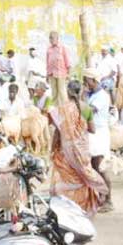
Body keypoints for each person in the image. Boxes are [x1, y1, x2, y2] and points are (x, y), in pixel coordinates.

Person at [48, 80, 109, 215]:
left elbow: (58, 132)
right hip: (82, 150)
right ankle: (84, 207)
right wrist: (79, 128)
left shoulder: (61, 109)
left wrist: (53, 149)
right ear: (81, 91)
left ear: (67, 93)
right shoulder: (86, 108)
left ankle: (66, 207)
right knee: (83, 177)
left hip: (65, 151)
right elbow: (92, 129)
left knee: (66, 177)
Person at [82, 68, 113, 212]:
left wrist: (79, 100)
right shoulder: (91, 95)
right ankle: (100, 196)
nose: (84, 83)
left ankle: (108, 199)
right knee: (94, 167)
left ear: (93, 80)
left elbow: (89, 112)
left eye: (86, 80)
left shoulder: (101, 96)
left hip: (99, 133)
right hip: (91, 133)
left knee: (100, 166)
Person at [47, 31, 71, 105]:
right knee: (54, 92)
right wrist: (47, 74)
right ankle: (55, 110)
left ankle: (66, 108)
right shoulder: (49, 49)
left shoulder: (62, 48)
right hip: (51, 73)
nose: (51, 40)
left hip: (61, 72)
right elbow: (47, 62)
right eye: (50, 38)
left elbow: (67, 61)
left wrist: (68, 73)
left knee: (62, 92)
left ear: (57, 38)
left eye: (52, 38)